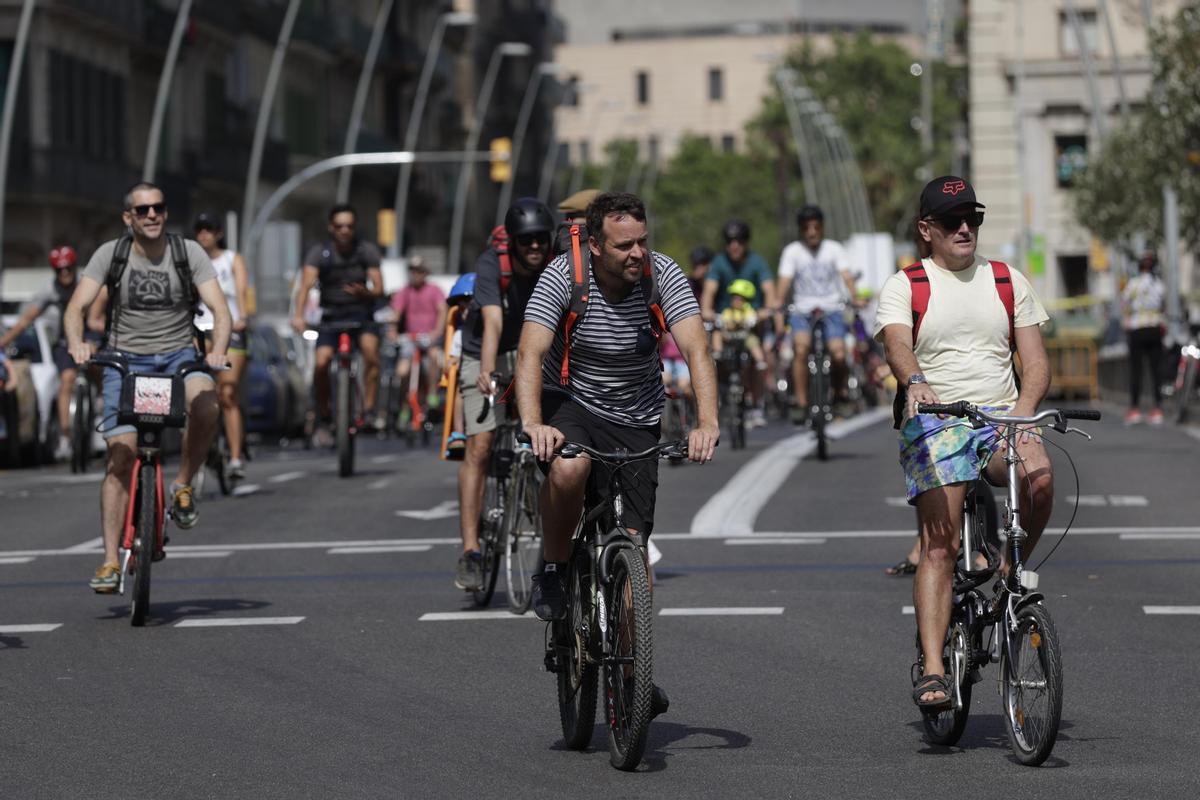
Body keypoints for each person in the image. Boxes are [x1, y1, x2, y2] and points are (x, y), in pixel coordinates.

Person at [516, 191, 720, 717]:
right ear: (596, 245)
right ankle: (557, 568)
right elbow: (531, 352)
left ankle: (633, 674)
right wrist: (534, 423)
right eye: (624, 245)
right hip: (575, 402)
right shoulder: (565, 275)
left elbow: (696, 348)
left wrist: (706, 422)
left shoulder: (661, 275)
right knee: (570, 467)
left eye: (642, 242)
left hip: (638, 417)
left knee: (633, 548)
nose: (637, 253)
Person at [874, 176, 1051, 709]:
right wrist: (916, 383)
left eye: (972, 217)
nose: (965, 228)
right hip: (938, 418)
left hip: (1000, 413)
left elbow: (1036, 363)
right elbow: (897, 347)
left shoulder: (1005, 279)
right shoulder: (907, 284)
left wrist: (1022, 414)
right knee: (940, 547)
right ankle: (932, 669)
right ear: (927, 230)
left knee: (1040, 477)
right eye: (952, 221)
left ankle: (1010, 569)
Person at [63, 182, 230, 592]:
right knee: (122, 457)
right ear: (129, 218)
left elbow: (221, 311)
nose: (152, 215)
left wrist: (218, 351)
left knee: (208, 406)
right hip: (124, 361)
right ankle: (108, 561)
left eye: (158, 208)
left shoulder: (186, 252)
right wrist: (77, 343)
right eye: (142, 210)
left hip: (179, 357)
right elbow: (76, 308)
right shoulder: (112, 254)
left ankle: (184, 483)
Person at [454, 198, 556, 591]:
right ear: (512, 242)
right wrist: (486, 371)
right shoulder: (491, 264)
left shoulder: (556, 262)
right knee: (479, 447)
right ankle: (471, 551)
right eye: (526, 240)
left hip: (535, 349)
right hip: (485, 351)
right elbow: (492, 321)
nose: (534, 247)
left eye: (540, 239)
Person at [0, 246, 107, 460]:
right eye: (59, 270)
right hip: (66, 338)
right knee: (66, 380)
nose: (64, 274)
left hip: (90, 334)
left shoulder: (88, 283)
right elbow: (26, 319)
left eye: (68, 269)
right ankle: (66, 434)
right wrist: (4, 341)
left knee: (96, 362)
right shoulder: (50, 290)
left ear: (74, 268)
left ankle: (100, 398)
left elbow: (100, 311)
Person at [291, 203, 385, 439]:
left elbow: (380, 287)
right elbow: (305, 285)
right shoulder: (319, 252)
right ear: (331, 228)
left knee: (371, 353)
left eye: (349, 226)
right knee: (321, 363)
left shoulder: (366, 251)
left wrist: (367, 293)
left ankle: (370, 409)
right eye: (340, 226)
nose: (345, 231)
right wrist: (299, 316)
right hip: (331, 316)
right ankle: (325, 413)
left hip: (361, 315)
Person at [775, 205, 856, 420]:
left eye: (816, 227)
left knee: (839, 354)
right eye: (806, 228)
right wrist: (777, 303)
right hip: (802, 310)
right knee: (800, 350)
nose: (812, 232)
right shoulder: (792, 251)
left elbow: (846, 276)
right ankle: (801, 402)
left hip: (831, 309)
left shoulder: (834, 249)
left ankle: (840, 394)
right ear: (801, 230)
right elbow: (784, 281)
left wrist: (855, 296)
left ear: (822, 227)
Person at [701, 220, 776, 427]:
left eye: (739, 241)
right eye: (730, 241)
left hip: (752, 321)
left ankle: (757, 404)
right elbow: (709, 291)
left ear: (746, 242)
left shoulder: (757, 262)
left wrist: (766, 311)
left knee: (756, 358)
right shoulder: (718, 263)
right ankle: (721, 397)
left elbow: (769, 289)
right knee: (714, 355)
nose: (735, 245)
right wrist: (707, 311)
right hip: (725, 321)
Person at [192, 213, 251, 478]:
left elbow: (241, 291)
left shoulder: (231, 259)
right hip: (199, 328)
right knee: (195, 392)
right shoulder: (191, 260)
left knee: (227, 394)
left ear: (218, 234)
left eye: (210, 229)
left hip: (230, 328)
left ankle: (236, 457)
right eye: (199, 230)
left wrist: (243, 317)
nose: (204, 234)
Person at [388, 256, 447, 431]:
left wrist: (437, 332)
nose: (415, 275)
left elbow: (442, 310)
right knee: (402, 370)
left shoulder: (434, 290)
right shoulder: (405, 292)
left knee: (434, 358)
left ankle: (432, 395)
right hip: (410, 338)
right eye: (412, 271)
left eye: (419, 271)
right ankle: (405, 405)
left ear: (425, 273)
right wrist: (393, 332)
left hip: (429, 338)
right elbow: (396, 312)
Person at [1122, 251, 1167, 425]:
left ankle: (1134, 409)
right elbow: (1163, 306)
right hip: (1155, 328)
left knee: (1136, 370)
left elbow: (1124, 304)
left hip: (1137, 329)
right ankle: (1157, 408)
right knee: (1156, 371)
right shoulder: (1159, 284)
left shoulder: (1133, 284)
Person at [712, 278, 767, 369]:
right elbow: (722, 320)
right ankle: (717, 351)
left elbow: (752, 319)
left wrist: (752, 320)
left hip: (744, 335)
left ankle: (760, 360)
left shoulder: (748, 312)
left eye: (740, 299)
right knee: (717, 334)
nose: (736, 301)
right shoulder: (728, 312)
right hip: (729, 335)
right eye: (734, 299)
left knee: (753, 341)